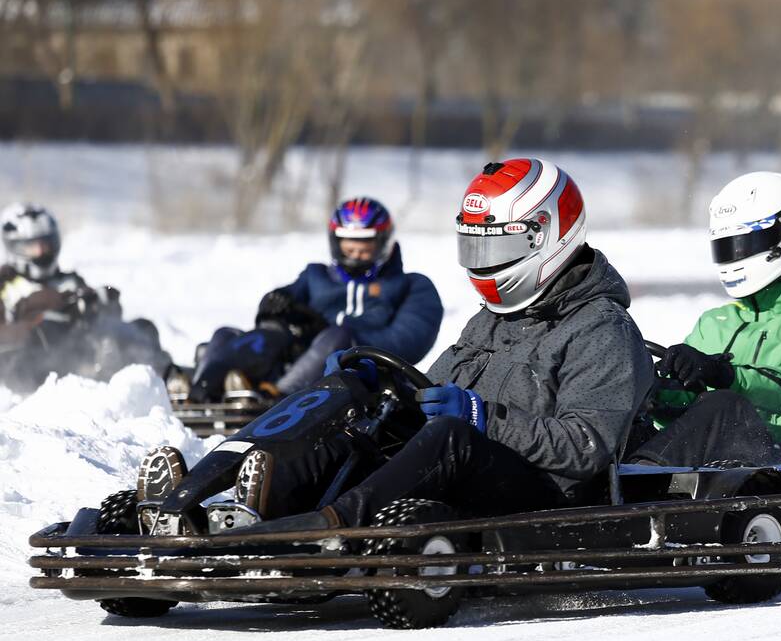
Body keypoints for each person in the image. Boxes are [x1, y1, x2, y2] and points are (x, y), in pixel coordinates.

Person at [139, 158, 654, 532]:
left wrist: (482, 417)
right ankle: (221, 502)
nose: (484, 260)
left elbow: (587, 448)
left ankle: (325, 529)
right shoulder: (493, 321)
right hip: (472, 474)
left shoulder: (600, 329)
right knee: (353, 413)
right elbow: (431, 388)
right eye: (477, 243)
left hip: (548, 500)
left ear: (547, 234)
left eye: (496, 244)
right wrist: (374, 386)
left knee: (447, 436)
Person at [629, 171, 781, 468]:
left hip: (770, 459)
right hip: (703, 457)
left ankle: (639, 485)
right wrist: (652, 390)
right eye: (726, 247)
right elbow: (686, 405)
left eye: (743, 245)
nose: (734, 257)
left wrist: (723, 375)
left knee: (725, 404)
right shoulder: (716, 321)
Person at [182, 197, 443, 403]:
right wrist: (275, 305)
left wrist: (335, 336)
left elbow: (407, 342)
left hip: (357, 373)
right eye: (348, 248)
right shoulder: (315, 276)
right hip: (296, 360)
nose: (355, 256)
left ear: (383, 244)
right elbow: (278, 307)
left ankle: (277, 397)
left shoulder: (412, 286)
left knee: (336, 338)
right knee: (228, 334)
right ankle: (206, 385)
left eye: (364, 249)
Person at [0, 202, 170, 392]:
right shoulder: (5, 284)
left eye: (45, 245)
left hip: (80, 354)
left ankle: (165, 379)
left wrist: (101, 304)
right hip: (28, 369)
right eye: (32, 247)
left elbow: (103, 314)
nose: (41, 252)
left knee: (141, 328)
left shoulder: (69, 281)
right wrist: (52, 310)